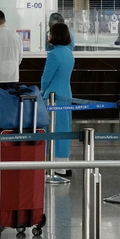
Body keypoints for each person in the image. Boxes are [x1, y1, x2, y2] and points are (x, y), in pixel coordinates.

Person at [42, 23, 75, 177]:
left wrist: (42, 92)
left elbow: (46, 78)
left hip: (53, 96)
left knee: (52, 129)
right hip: (66, 93)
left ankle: (54, 163)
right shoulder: (69, 53)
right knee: (64, 128)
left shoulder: (53, 54)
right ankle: (64, 161)